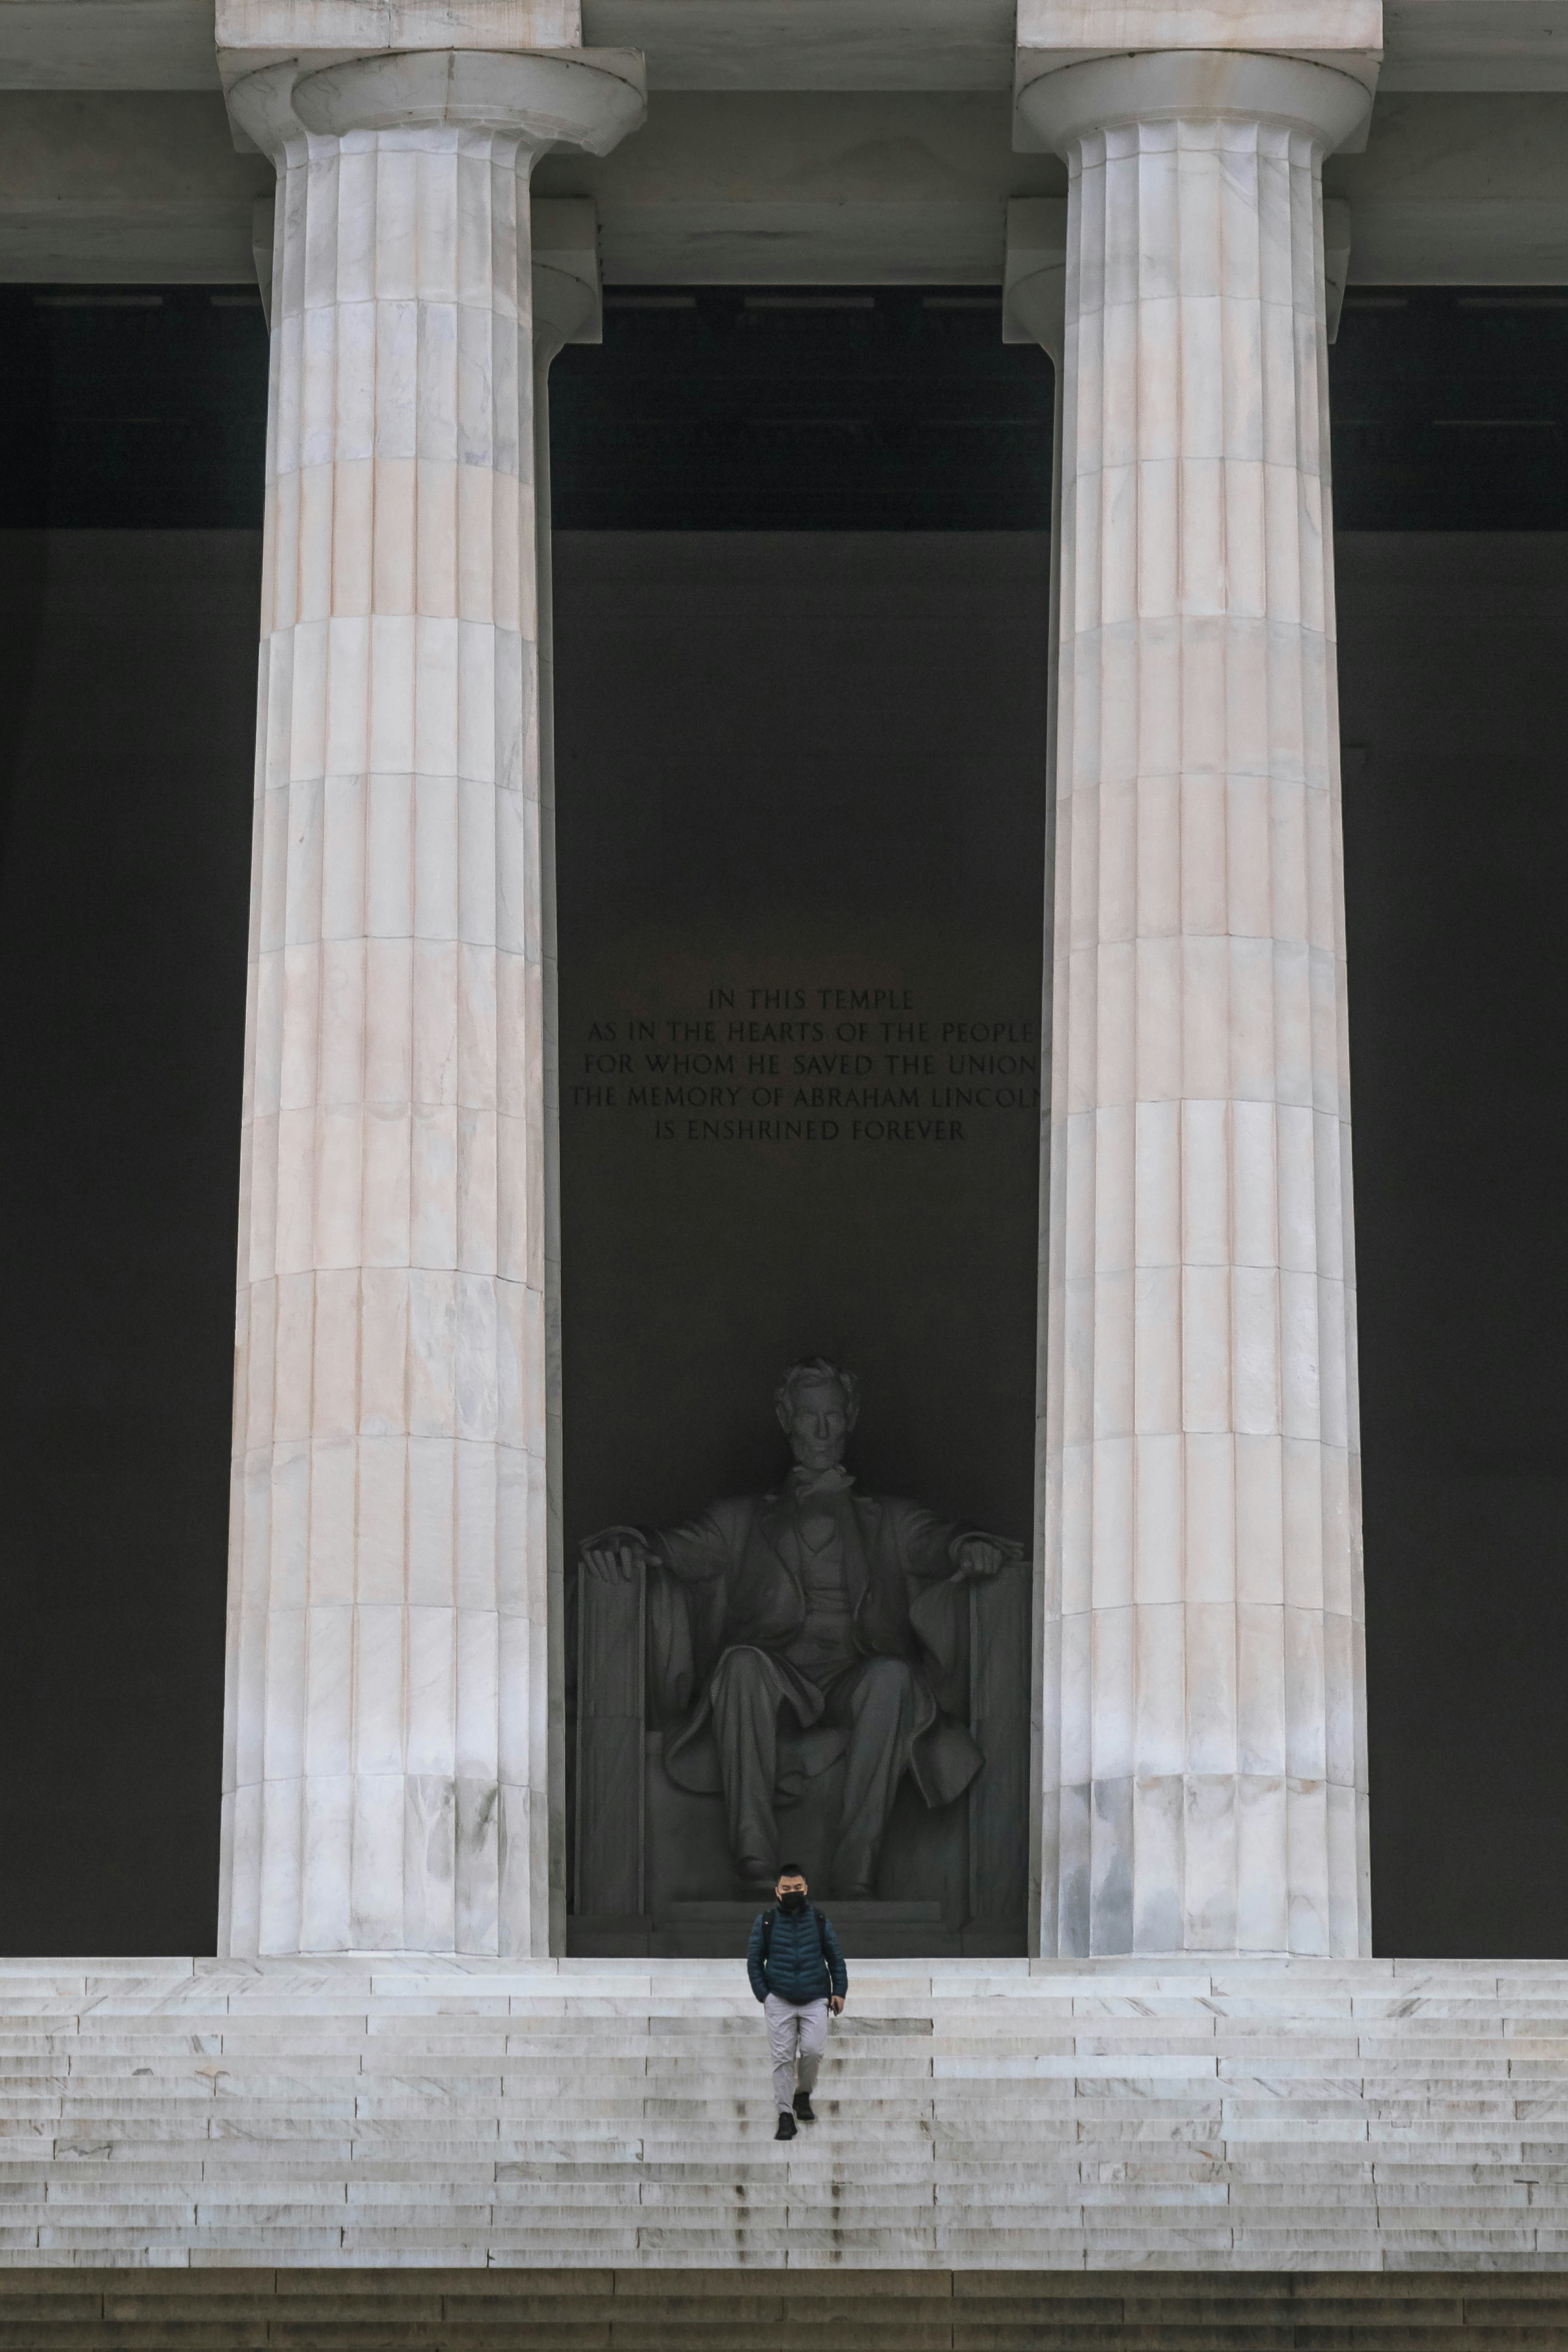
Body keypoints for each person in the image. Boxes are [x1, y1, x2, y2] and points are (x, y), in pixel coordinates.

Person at [579, 1358, 1020, 1897]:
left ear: (850, 1417)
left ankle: (857, 1869)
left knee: (893, 1678)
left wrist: (968, 1547)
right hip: (775, 1674)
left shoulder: (891, 1520)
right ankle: (755, 1860)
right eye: (808, 1415)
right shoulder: (741, 1520)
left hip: (854, 1674)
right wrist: (627, 1541)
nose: (820, 1430)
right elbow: (672, 1546)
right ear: (786, 1418)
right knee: (739, 1665)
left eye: (832, 1415)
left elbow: (943, 1540)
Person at [747, 1863, 848, 2140]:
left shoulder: (819, 1919)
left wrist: (839, 1991)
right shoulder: (766, 1921)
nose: (792, 1892)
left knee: (813, 2051)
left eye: (797, 1888)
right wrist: (764, 1995)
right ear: (777, 1891)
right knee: (782, 2059)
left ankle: (803, 2094)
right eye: (787, 1888)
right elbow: (754, 1960)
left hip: (815, 1998)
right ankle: (785, 2115)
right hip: (779, 1998)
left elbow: (835, 1956)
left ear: (806, 1889)